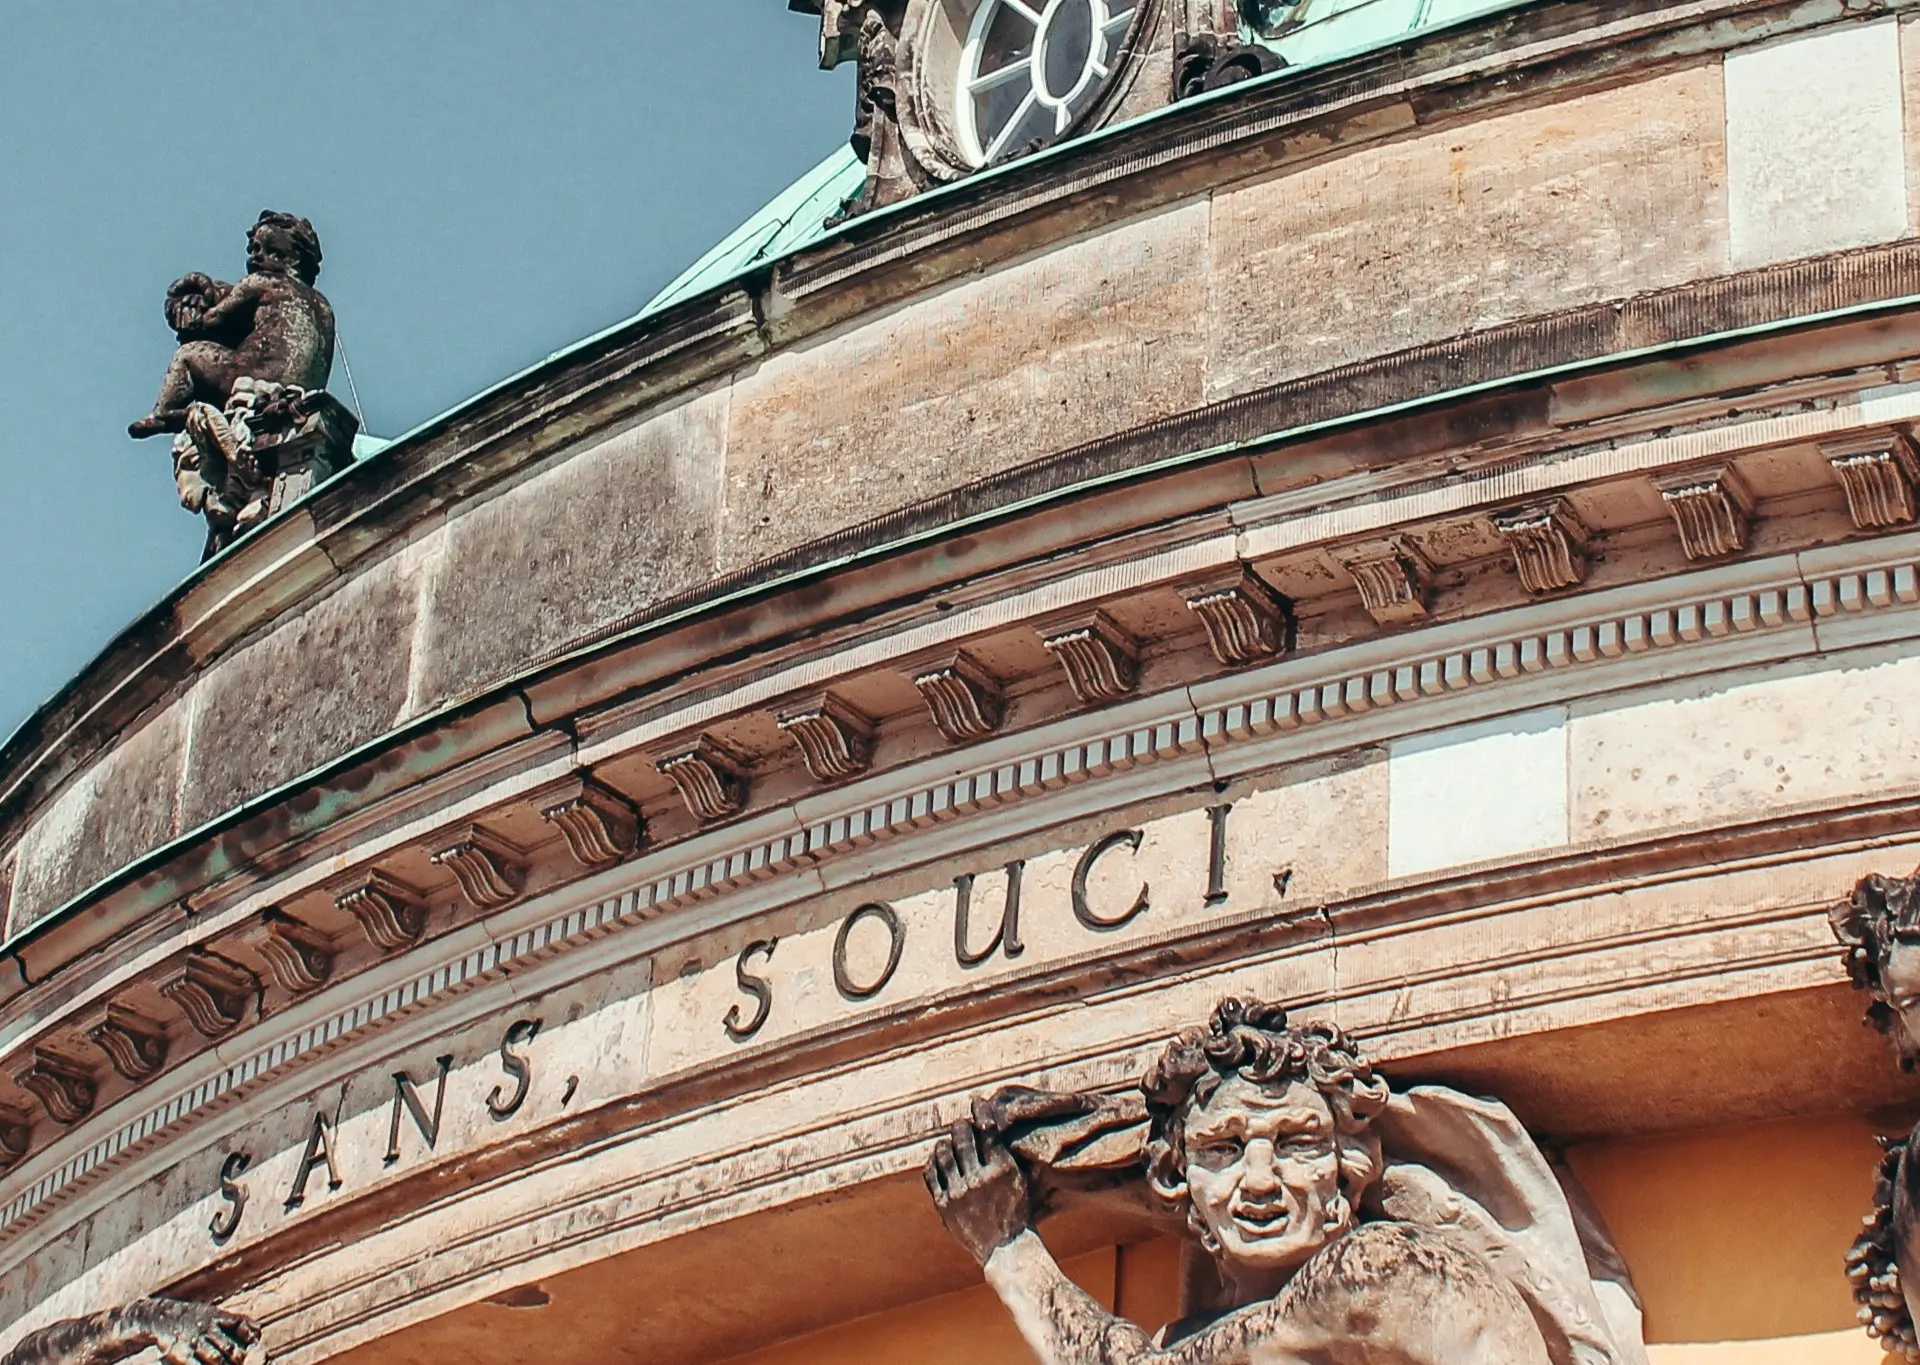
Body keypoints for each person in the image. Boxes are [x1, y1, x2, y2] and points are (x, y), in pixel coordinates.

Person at [927, 999, 1642, 1364]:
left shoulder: (1382, 1267)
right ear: (1180, 1179)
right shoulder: (1195, 1333)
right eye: (1224, 1150)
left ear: (1347, 1165)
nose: (1260, 1182)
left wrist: (1009, 1250)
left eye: (1296, 1143)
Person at [128, 211, 335, 440]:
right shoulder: (323, 306)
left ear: (291, 258)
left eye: (269, 251)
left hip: (254, 376)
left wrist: (194, 307)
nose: (257, 258)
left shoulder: (262, 281)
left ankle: (162, 414)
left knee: (188, 354)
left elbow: (212, 320)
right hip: (299, 391)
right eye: (254, 250)